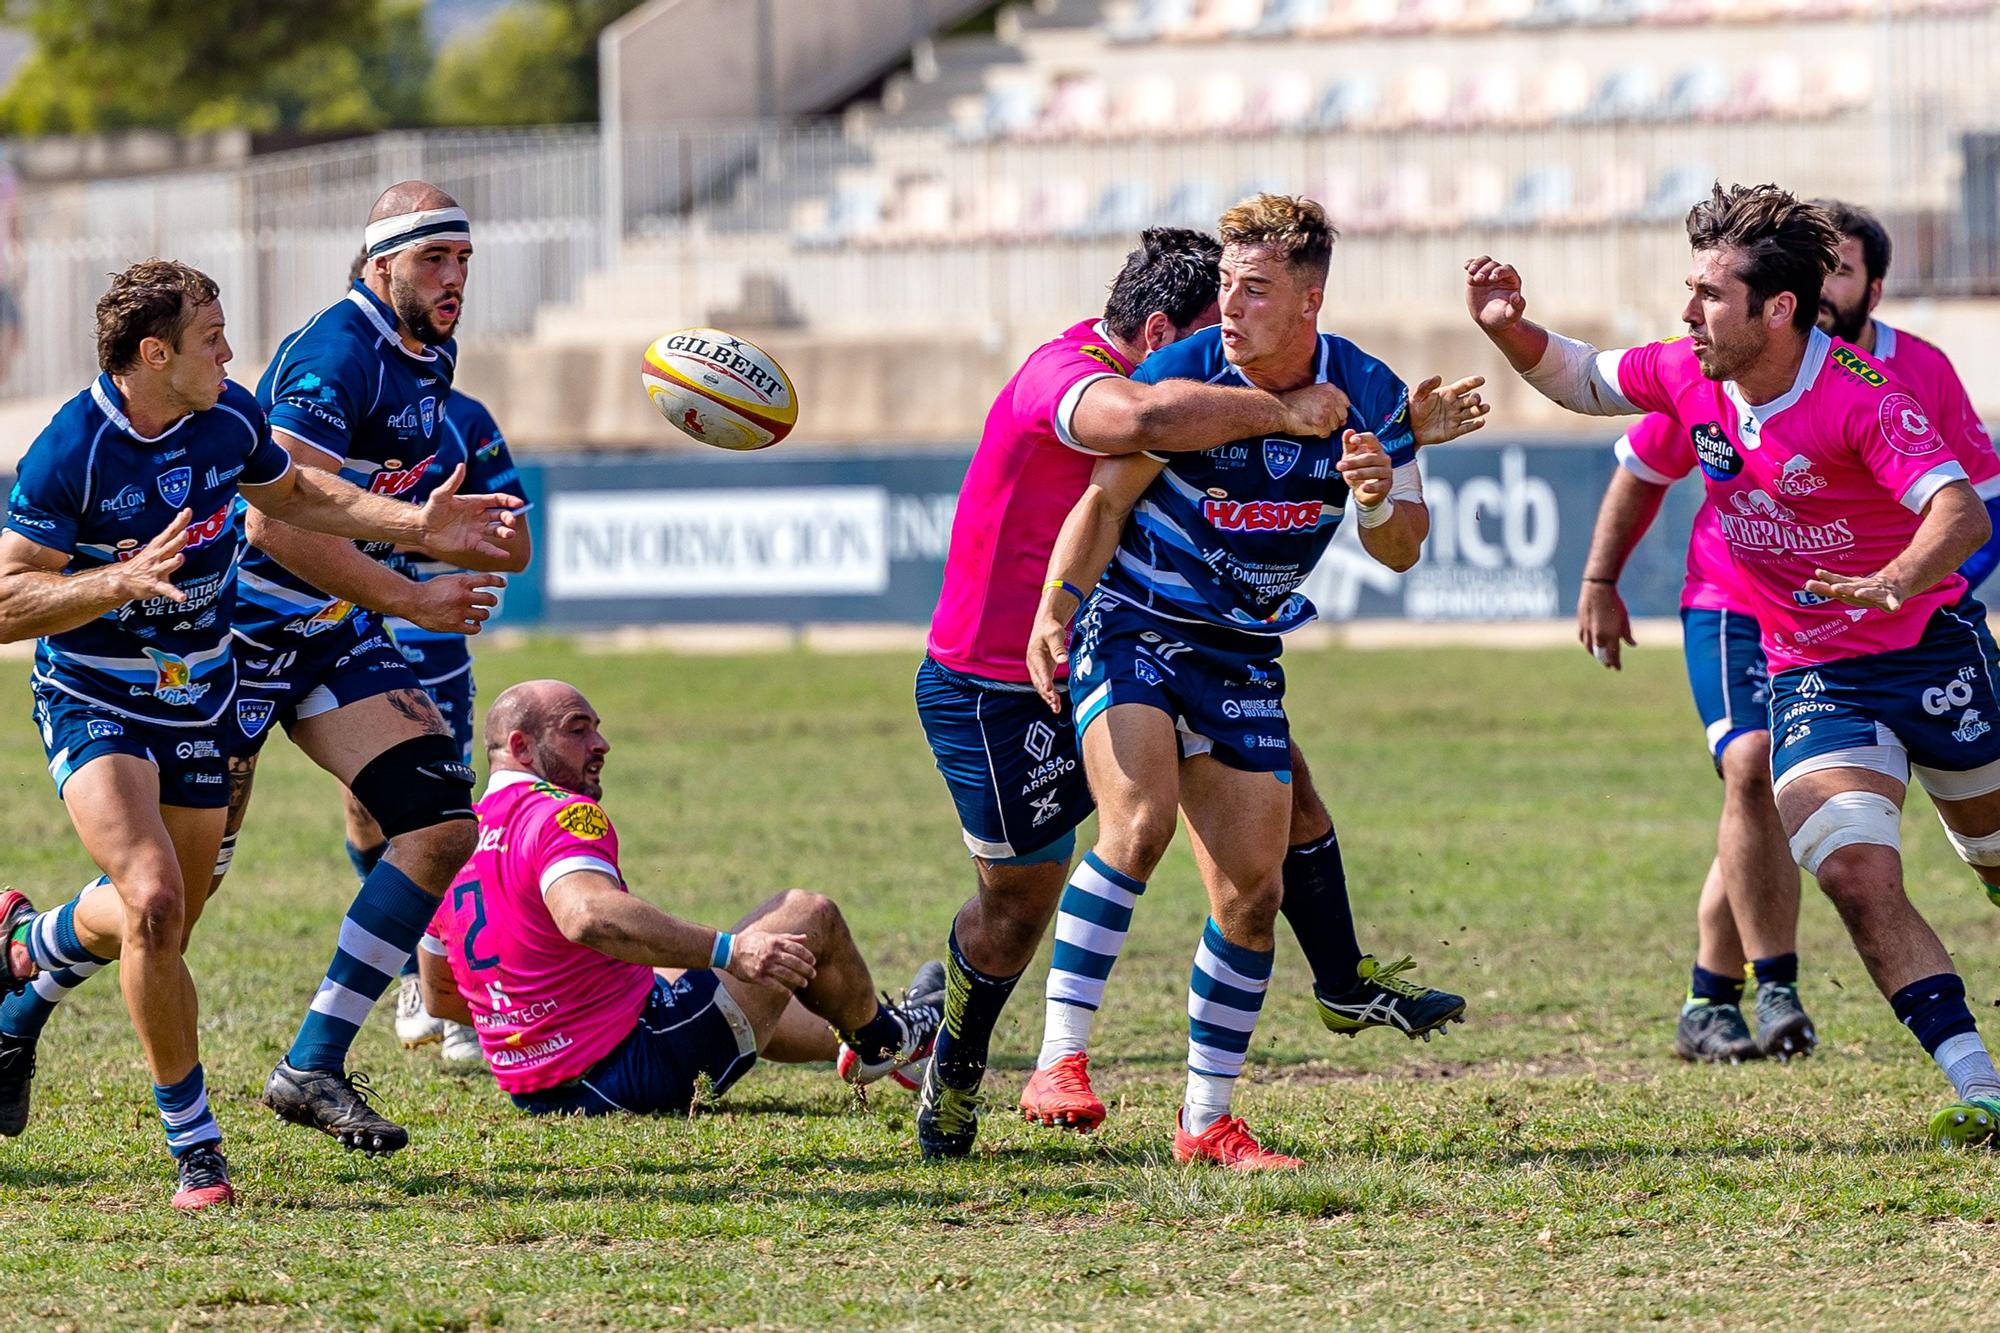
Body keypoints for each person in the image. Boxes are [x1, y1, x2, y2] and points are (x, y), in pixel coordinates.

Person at [914, 226, 1484, 1159]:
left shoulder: (1375, 392)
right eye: (1225, 285)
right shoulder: (1178, 375)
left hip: (1244, 651)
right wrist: (1059, 606)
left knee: (1250, 894)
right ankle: (1057, 1060)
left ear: (1310, 300)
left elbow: (1401, 544)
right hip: (1133, 624)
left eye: (1254, 289)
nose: (1232, 306)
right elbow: (1104, 499)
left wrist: (1379, 491)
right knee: (1134, 825)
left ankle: (1207, 1119)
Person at [1468, 182, 2000, 1148]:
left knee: (1996, 861)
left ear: (1778, 309)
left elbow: (1960, 512)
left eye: (1709, 294)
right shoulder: (1687, 371)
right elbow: (1585, 377)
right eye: (1691, 290)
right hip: (1811, 667)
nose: (1687, 311)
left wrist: (1891, 581)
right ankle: (1978, 1082)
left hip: (1930, 650)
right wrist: (1510, 327)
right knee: (1851, 868)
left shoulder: (1865, 396)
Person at [0, 259, 522, 1207]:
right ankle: (196, 1147)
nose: (234, 353)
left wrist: (414, 522)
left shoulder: (229, 415)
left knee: (166, 922)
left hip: (201, 690)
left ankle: (27, 952)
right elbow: (5, 599)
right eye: (213, 339)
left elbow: (301, 500)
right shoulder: (68, 450)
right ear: (155, 356)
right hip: (96, 692)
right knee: (154, 900)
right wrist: (107, 586)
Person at [219, 180, 532, 1155]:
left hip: (321, 631)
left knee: (438, 823)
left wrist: (468, 537)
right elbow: (273, 518)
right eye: (435, 261)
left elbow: (493, 536)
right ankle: (28, 970)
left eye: (465, 262)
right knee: (172, 895)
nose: (454, 281)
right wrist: (406, 587)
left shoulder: (428, 356)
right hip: (229, 637)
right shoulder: (335, 352)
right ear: (381, 260)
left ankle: (313, 1061)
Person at [416, 680, 942, 1116]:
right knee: (806, 914)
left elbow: (440, 996)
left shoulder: (453, 835)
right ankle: (882, 1041)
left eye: (597, 728)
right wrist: (729, 951)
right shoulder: (557, 813)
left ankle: (884, 1042)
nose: (601, 744)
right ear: (522, 746)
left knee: (674, 979)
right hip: (631, 1073)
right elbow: (588, 916)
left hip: (536, 1095)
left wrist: (539, 1028)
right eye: (578, 730)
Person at [1577, 413, 1810, 1063]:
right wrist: (1599, 580)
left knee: (1795, 796)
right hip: (1732, 604)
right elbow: (1642, 467)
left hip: (1843, 610)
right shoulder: (1714, 363)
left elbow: (1966, 495)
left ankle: (1708, 999)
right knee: (1752, 762)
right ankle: (1774, 987)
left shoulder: (1901, 374)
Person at [1813, 199, 2000, 591]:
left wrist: (1925, 585)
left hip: (1886, 598)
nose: (1820, 286)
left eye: (1840, 271)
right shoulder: (1745, 361)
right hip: (1749, 604)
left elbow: (1987, 503)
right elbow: (1649, 462)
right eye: (1811, 267)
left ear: (1875, 291)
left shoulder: (1924, 370)